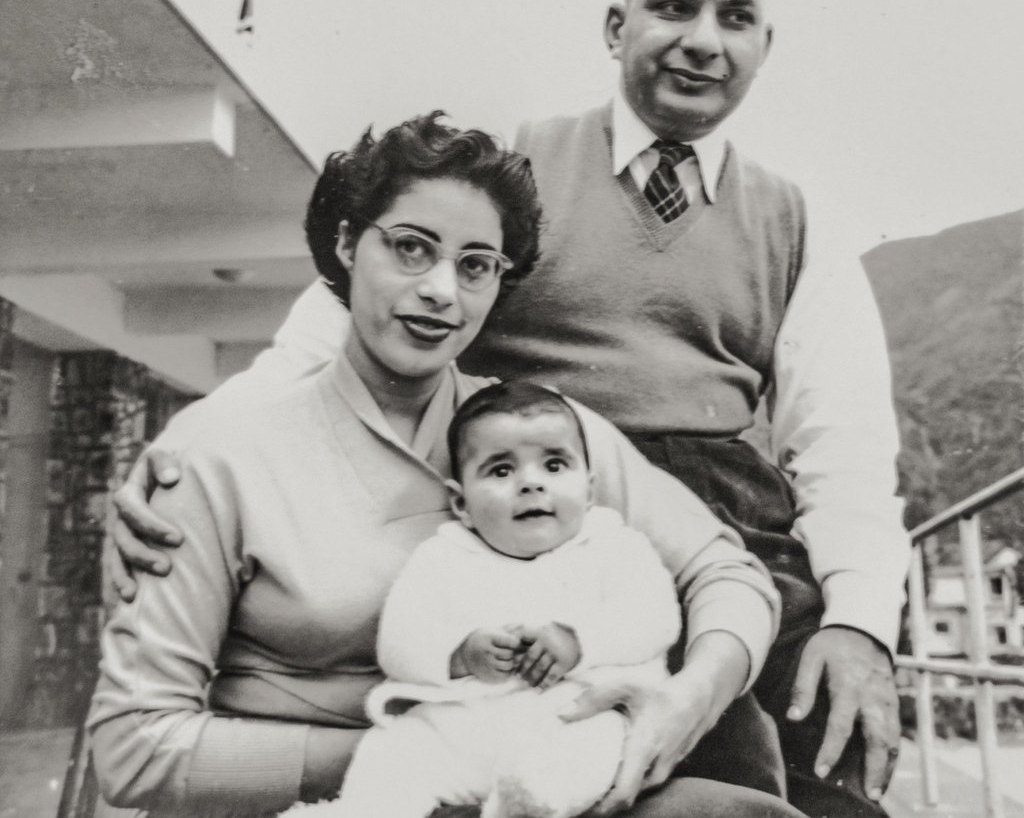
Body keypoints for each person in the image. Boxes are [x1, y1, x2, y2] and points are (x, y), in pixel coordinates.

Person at [111, 0, 909, 816]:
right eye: (672, 7)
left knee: (823, 765)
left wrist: (858, 625)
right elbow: (320, 338)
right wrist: (182, 463)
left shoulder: (800, 222)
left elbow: (844, 450)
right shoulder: (509, 173)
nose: (701, 40)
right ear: (618, 26)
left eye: (734, 18)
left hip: (722, 528)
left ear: (767, 41)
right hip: (520, 501)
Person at [88, 113, 798, 818]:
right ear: (344, 244)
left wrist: (688, 698)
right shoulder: (217, 451)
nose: (441, 291)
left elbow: (727, 571)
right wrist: (420, 756)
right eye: (410, 248)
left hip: (531, 787)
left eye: (476, 265)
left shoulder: (540, 435)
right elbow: (134, 747)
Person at [310, 380, 684, 818]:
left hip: (572, 717)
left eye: (554, 465)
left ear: (589, 488)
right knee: (396, 748)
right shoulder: (442, 557)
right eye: (501, 471)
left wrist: (578, 641)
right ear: (462, 503)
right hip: (461, 731)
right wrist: (460, 654)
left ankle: (527, 803)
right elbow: (399, 641)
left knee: (600, 740)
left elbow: (655, 618)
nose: (531, 483)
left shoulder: (615, 546)